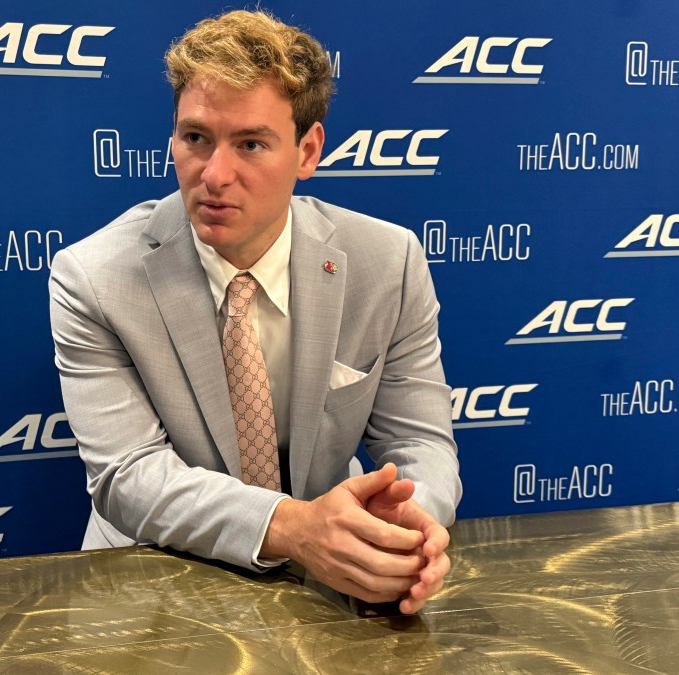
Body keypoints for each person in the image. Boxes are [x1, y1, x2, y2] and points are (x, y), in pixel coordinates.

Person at [50, 9, 461, 614]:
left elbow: (420, 440)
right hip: (152, 578)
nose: (214, 175)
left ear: (308, 150)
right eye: (195, 138)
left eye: (250, 144)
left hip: (331, 579)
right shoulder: (94, 276)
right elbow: (128, 476)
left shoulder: (387, 262)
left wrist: (404, 526)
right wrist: (295, 528)